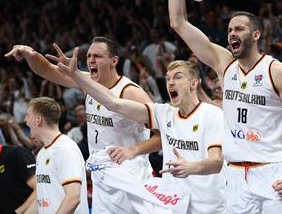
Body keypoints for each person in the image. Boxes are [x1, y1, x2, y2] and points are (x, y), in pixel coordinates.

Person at [167, 0, 282, 213]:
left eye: (238, 29)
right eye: (229, 30)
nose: (231, 34)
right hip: (235, 175)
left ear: (256, 35)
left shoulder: (278, 72)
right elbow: (178, 23)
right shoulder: (224, 64)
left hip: (273, 172)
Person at [5, 36, 161, 213]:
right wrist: (30, 54)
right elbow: (47, 69)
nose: (91, 60)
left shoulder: (130, 92)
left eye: (97, 56)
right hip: (101, 177)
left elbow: (163, 136)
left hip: (131, 177)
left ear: (114, 61)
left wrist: (133, 150)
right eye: (88, 56)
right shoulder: (88, 83)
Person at [58, 51, 226, 214]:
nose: (170, 83)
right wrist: (77, 76)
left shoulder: (212, 114)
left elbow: (216, 162)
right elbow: (114, 103)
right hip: (174, 204)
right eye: (167, 79)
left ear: (193, 84)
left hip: (208, 205)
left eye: (177, 77)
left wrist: (192, 167)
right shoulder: (163, 113)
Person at [25, 97, 88, 214]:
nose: (25, 120)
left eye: (28, 115)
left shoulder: (65, 148)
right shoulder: (42, 153)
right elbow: (42, 200)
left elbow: (73, 197)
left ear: (38, 120)